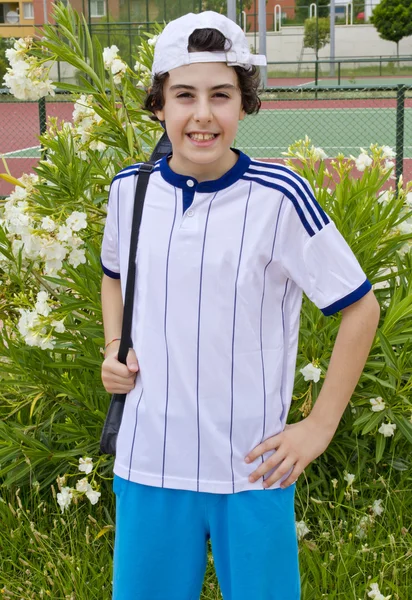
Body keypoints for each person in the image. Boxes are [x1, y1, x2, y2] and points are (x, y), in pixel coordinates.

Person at [100, 11, 380, 600]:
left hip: (252, 470)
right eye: (184, 95)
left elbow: (360, 307)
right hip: (148, 463)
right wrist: (113, 347)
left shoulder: (280, 197)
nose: (202, 115)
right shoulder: (129, 189)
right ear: (159, 106)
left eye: (221, 95)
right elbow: (114, 277)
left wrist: (319, 427)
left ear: (245, 104)